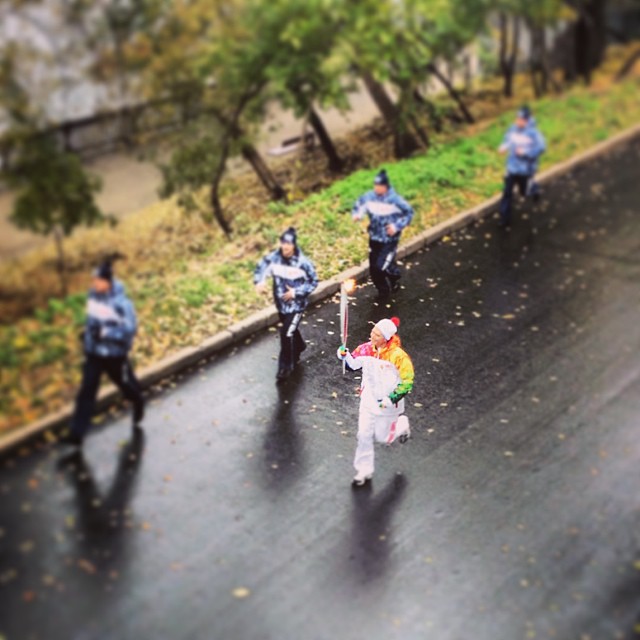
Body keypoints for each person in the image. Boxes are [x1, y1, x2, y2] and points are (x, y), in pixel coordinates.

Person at [60, 260, 144, 447]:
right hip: (94, 354)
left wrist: (106, 333)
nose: (94, 283)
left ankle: (138, 400)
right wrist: (87, 336)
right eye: (93, 280)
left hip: (115, 356)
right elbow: (93, 322)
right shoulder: (94, 297)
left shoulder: (122, 304)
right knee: (87, 391)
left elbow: (129, 329)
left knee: (126, 385)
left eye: (97, 280)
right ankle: (76, 433)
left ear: (107, 281)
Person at [337, 316, 414, 486]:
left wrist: (391, 398)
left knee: (384, 438)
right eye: (373, 332)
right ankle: (363, 469)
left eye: (377, 335)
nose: (372, 336)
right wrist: (344, 355)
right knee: (363, 434)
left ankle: (402, 425)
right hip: (368, 400)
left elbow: (407, 382)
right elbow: (352, 365)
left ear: (386, 338)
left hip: (388, 404)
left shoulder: (398, 357)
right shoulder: (366, 349)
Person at [254, 227, 318, 382]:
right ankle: (300, 345)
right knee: (290, 329)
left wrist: (295, 292)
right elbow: (262, 267)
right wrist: (260, 282)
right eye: (283, 243)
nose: (285, 246)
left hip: (296, 306)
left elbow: (313, 282)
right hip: (281, 304)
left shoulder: (303, 263)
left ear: (294, 245)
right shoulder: (274, 258)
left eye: (288, 243)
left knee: (286, 333)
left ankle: (285, 367)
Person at [351, 169, 414, 299]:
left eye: (379, 186)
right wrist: (357, 215)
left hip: (389, 240)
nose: (377, 188)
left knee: (381, 267)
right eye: (375, 185)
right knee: (374, 269)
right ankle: (383, 291)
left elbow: (409, 213)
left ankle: (394, 277)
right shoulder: (369, 197)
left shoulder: (394, 199)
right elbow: (359, 205)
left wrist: (396, 226)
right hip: (374, 237)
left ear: (386, 186)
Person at [498, 105, 546, 227]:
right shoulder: (512, 129)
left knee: (524, 192)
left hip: (526, 169)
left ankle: (534, 189)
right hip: (512, 167)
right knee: (507, 193)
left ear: (526, 120)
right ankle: (504, 218)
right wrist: (503, 147)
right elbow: (507, 140)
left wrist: (525, 153)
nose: (518, 121)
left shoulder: (534, 133)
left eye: (520, 119)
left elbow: (541, 147)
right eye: (517, 119)